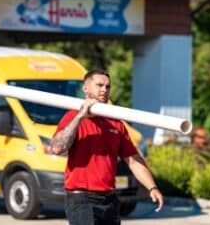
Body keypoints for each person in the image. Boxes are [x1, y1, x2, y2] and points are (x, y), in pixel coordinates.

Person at [51, 69, 163, 225]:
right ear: (86, 88)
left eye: (107, 86)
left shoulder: (116, 123)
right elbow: (57, 148)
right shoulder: (72, 117)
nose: (104, 90)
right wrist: (80, 117)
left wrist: (152, 187)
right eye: (99, 85)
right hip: (82, 199)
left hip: (109, 199)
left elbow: (133, 160)